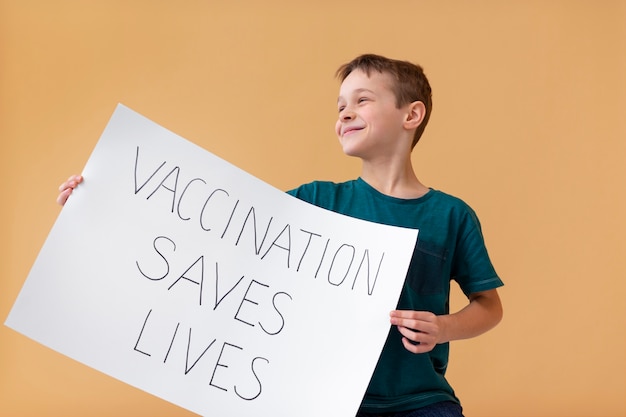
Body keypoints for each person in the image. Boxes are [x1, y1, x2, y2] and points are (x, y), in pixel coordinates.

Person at [58, 54, 503, 417]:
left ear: (412, 114)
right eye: (340, 105)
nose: (345, 112)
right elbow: (214, 235)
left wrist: (444, 328)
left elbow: (489, 306)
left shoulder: (451, 215)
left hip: (422, 400)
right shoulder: (315, 201)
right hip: (323, 402)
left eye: (362, 100)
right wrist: (104, 200)